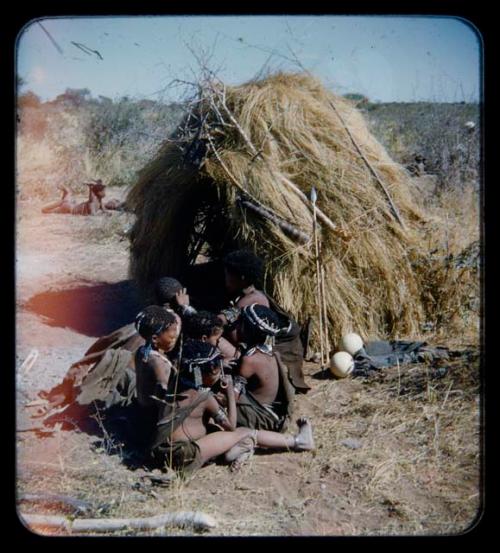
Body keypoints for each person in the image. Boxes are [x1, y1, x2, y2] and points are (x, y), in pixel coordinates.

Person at [150, 340, 314, 475]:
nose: (220, 374)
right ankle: (299, 442)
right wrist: (229, 392)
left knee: (216, 431)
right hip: (184, 454)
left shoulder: (175, 383)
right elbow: (231, 425)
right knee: (246, 431)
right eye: (217, 371)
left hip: (162, 451)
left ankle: (235, 451)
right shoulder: (204, 397)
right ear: (205, 373)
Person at [35, 277, 185, 415]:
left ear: (154, 298)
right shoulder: (174, 323)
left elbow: (102, 344)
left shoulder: (140, 322)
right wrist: (185, 308)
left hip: (111, 373)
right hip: (135, 384)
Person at [219, 250, 311, 393]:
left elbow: (220, 321)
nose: (225, 279)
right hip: (251, 352)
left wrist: (187, 309)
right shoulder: (250, 295)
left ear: (242, 277)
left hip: (255, 357)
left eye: (228, 275)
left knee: (215, 339)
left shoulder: (251, 301)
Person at [228, 303, 296, 432]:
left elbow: (233, 397)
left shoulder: (250, 360)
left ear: (247, 329)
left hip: (260, 418)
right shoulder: (268, 353)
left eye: (240, 323)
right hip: (271, 413)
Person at [41, 180, 110, 215]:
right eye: (103, 191)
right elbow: (93, 215)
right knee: (45, 210)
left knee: (67, 199)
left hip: (72, 205)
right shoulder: (92, 203)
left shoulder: (99, 200)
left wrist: (107, 213)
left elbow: (104, 210)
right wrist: (90, 188)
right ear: (98, 193)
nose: (105, 193)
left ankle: (66, 194)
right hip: (69, 208)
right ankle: (63, 199)